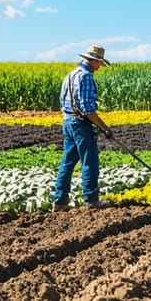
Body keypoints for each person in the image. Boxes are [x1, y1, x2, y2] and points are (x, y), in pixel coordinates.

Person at [51, 45, 116, 211]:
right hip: (81, 123)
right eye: (98, 63)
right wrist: (104, 127)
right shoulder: (85, 76)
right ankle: (92, 200)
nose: (99, 67)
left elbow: (63, 101)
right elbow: (87, 108)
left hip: (68, 122)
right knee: (90, 161)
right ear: (92, 60)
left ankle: (59, 201)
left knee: (68, 162)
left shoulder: (70, 75)